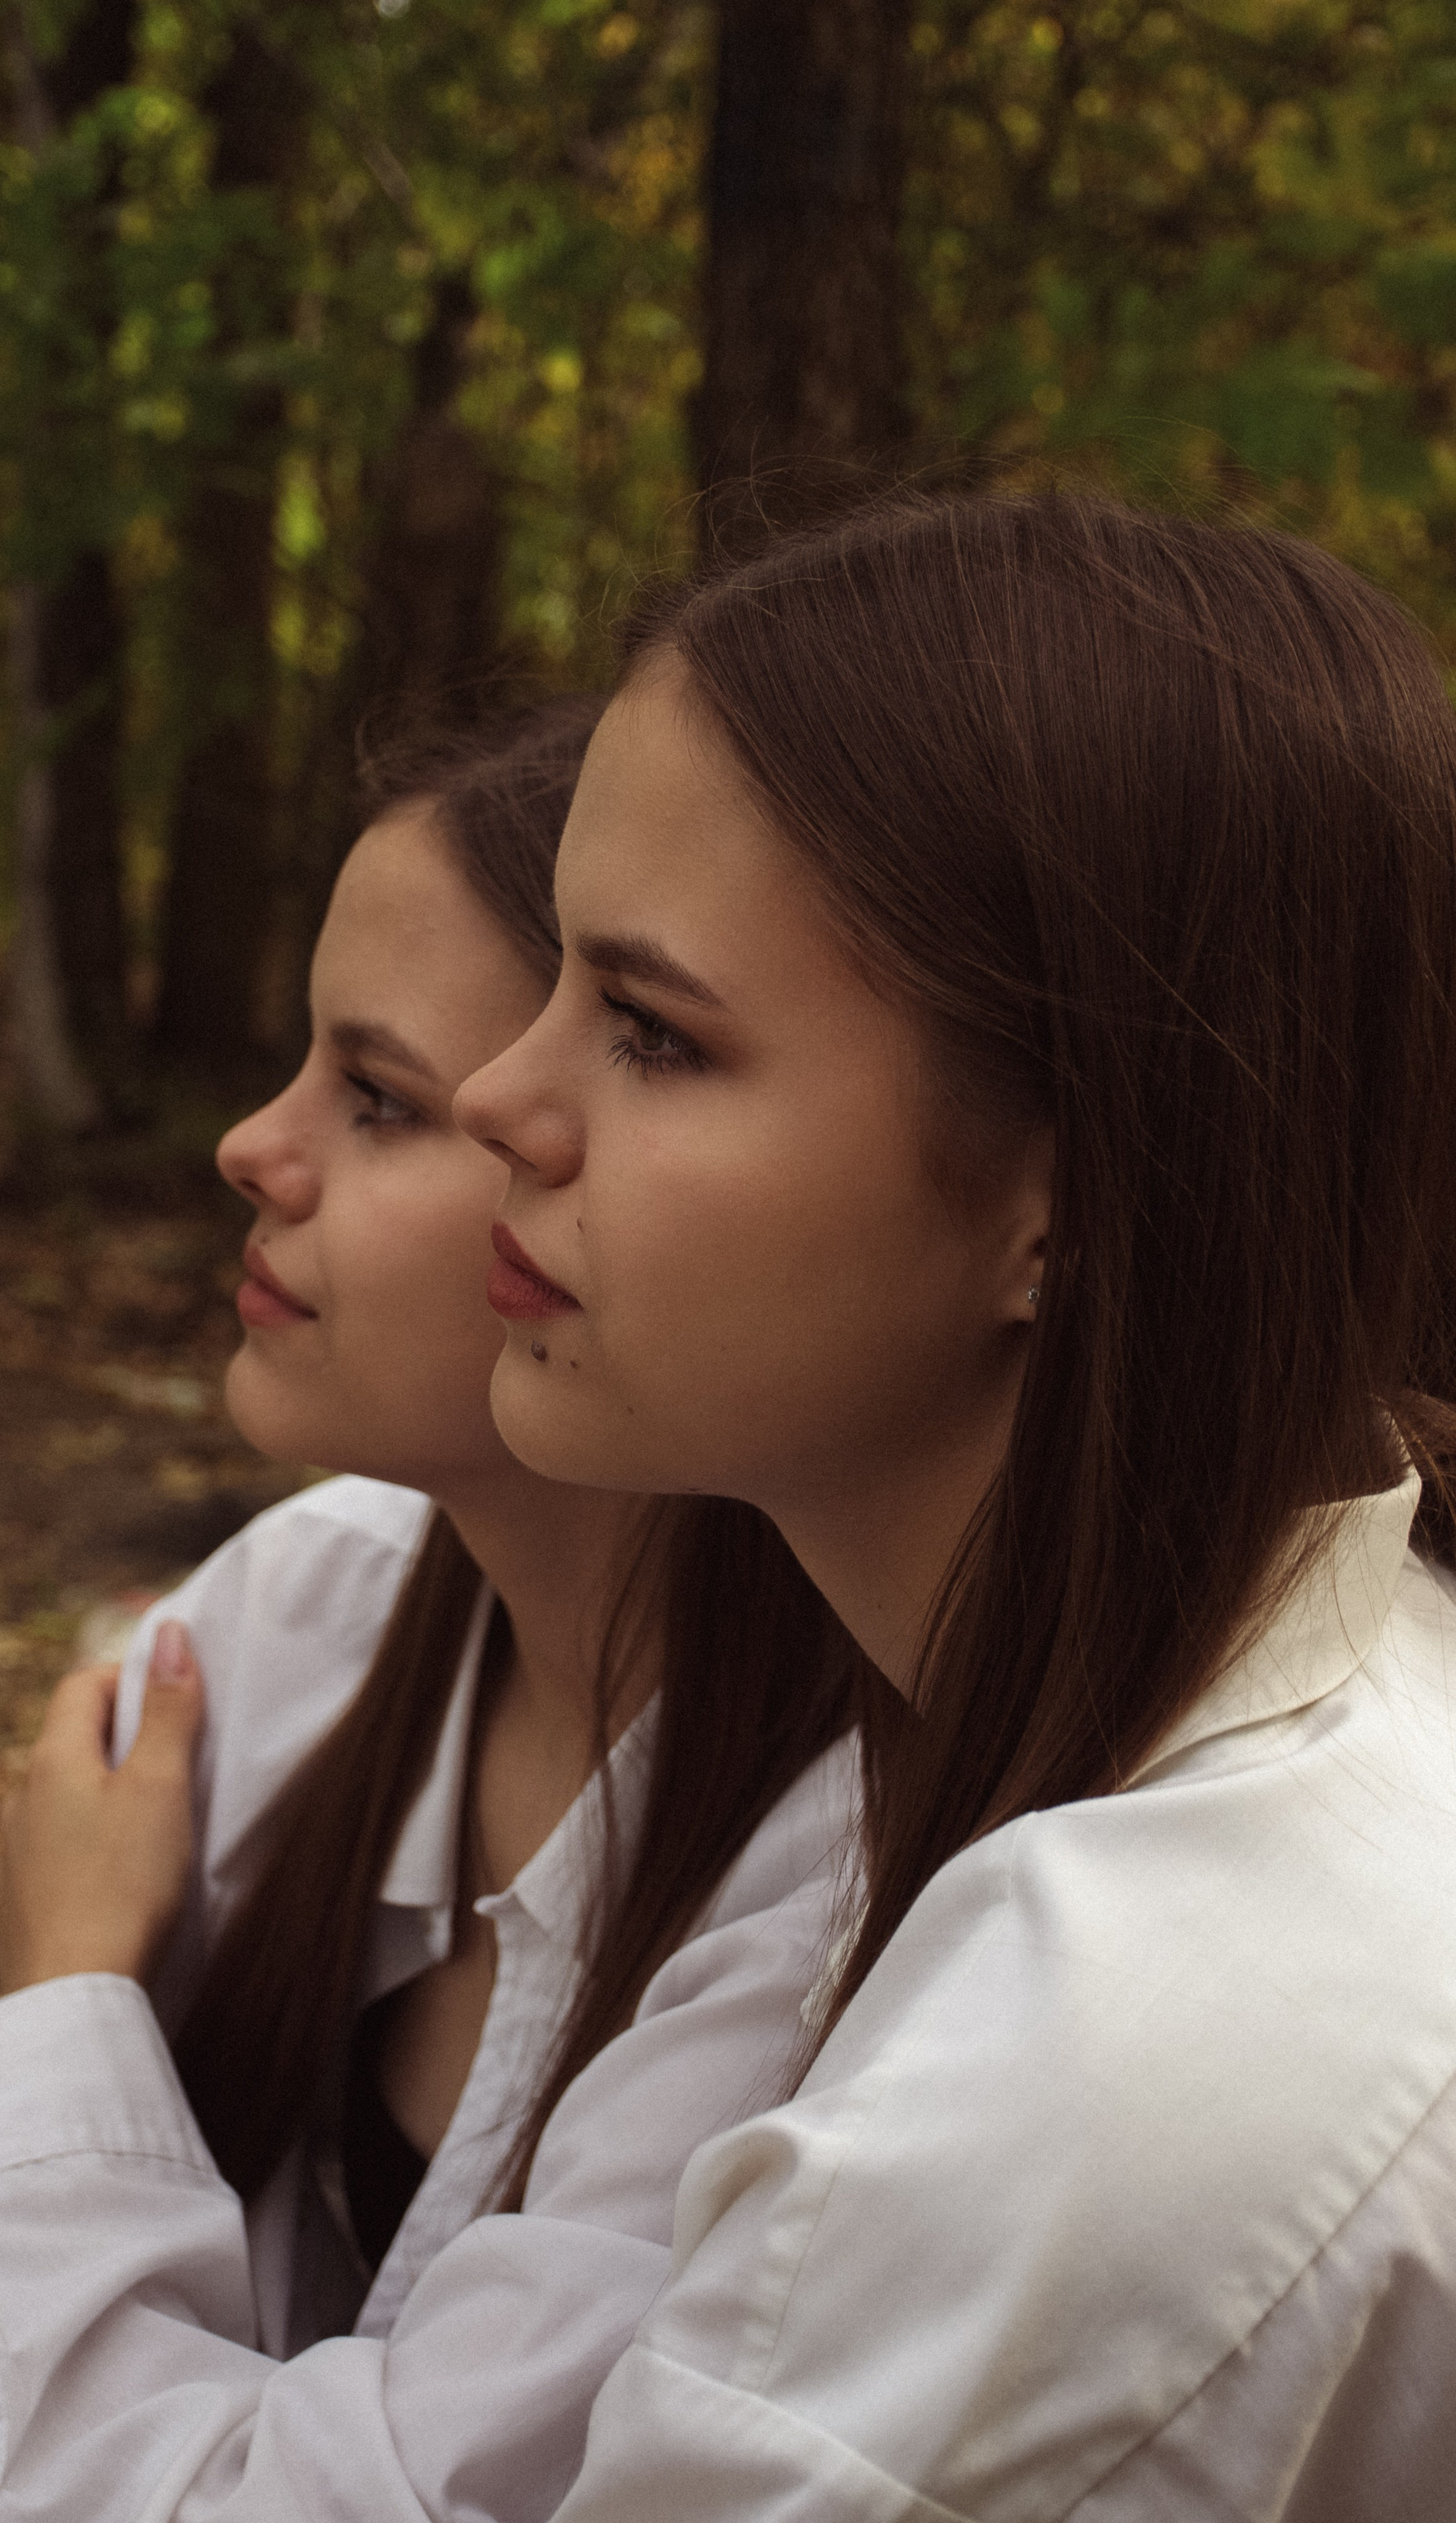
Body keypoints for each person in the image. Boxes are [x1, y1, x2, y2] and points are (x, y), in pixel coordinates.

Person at [449, 493, 1456, 2519]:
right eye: (557, 979)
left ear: (1065, 1203)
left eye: (654, 1033)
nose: (500, 1097)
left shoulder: (1122, 2070)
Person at [0, 700, 867, 2523]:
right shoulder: (306, 1607)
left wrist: (60, 2001)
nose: (247, 1149)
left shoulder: (828, 1900)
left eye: (376, 1099)